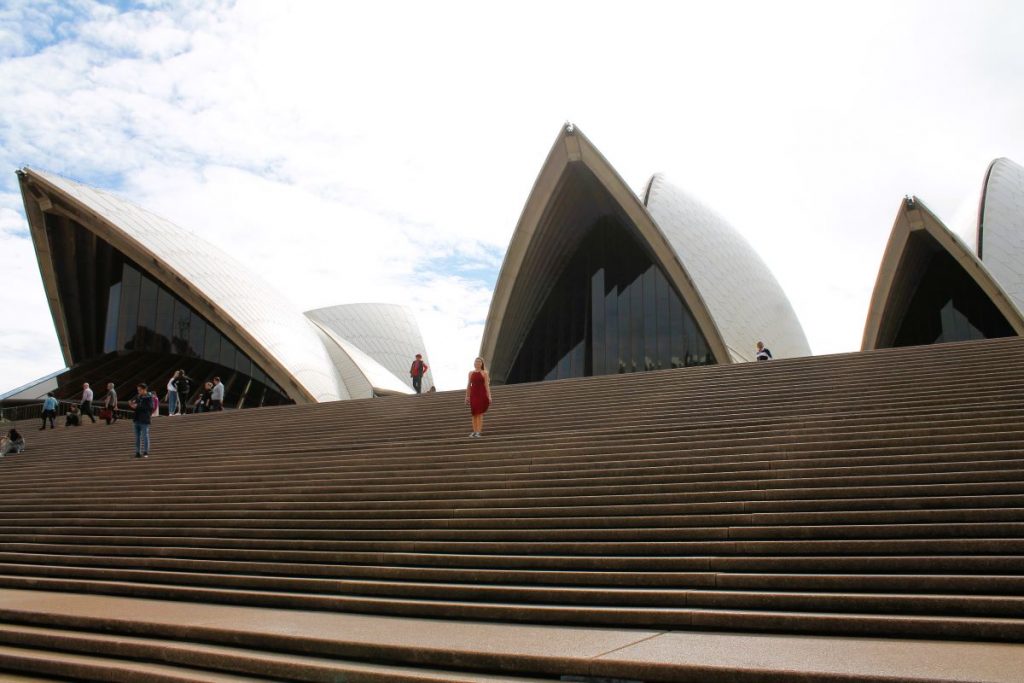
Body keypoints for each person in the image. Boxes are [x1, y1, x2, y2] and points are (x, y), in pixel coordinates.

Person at [465, 356, 492, 438]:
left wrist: (489, 396)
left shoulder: (484, 373)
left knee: (479, 413)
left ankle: (478, 432)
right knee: (474, 413)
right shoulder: (470, 373)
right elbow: (469, 385)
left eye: (479, 362)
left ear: (482, 364)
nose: (478, 363)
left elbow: (487, 385)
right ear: (474, 363)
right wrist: (467, 396)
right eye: (476, 361)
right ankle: (474, 431)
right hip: (473, 394)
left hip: (481, 394)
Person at [128, 383, 154, 458]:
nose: (138, 391)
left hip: (144, 419)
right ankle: (137, 452)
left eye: (140, 390)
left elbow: (150, 408)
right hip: (136, 418)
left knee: (145, 436)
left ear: (144, 389)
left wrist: (138, 406)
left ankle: (145, 452)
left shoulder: (149, 397)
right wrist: (131, 404)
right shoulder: (138, 396)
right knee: (137, 437)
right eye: (138, 390)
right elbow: (135, 405)